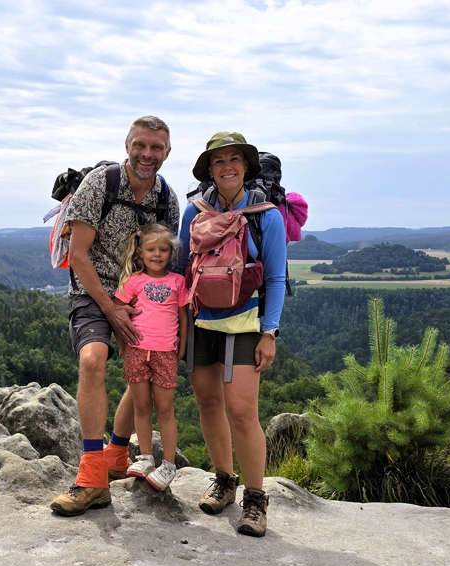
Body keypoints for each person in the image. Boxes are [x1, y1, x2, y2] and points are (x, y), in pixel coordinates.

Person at [50, 116, 181, 516]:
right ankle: (91, 475)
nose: (147, 154)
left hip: (140, 293)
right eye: (140, 145)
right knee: (93, 359)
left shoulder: (166, 199)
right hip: (94, 290)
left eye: (156, 148)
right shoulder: (100, 184)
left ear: (167, 152)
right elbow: (79, 255)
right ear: (128, 145)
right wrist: (112, 309)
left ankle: (117, 453)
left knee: (141, 369)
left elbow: (162, 261)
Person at [177, 131, 287, 537]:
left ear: (245, 166)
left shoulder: (266, 215)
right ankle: (224, 481)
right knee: (208, 403)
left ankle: (255, 499)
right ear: (209, 168)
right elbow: (180, 270)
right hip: (199, 321)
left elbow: (275, 279)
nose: (227, 166)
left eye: (234, 159)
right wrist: (177, 327)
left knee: (241, 411)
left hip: (244, 324)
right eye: (218, 160)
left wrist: (269, 333)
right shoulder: (194, 212)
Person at [113, 223, 188, 491]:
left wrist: (183, 346)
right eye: (151, 249)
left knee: (165, 409)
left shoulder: (177, 282)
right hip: (136, 350)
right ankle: (145, 458)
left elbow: (183, 316)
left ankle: (168, 465)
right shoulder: (133, 282)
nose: (157, 255)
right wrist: (122, 346)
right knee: (141, 406)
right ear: (141, 252)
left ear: (171, 253)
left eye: (164, 249)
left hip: (165, 351)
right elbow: (119, 312)